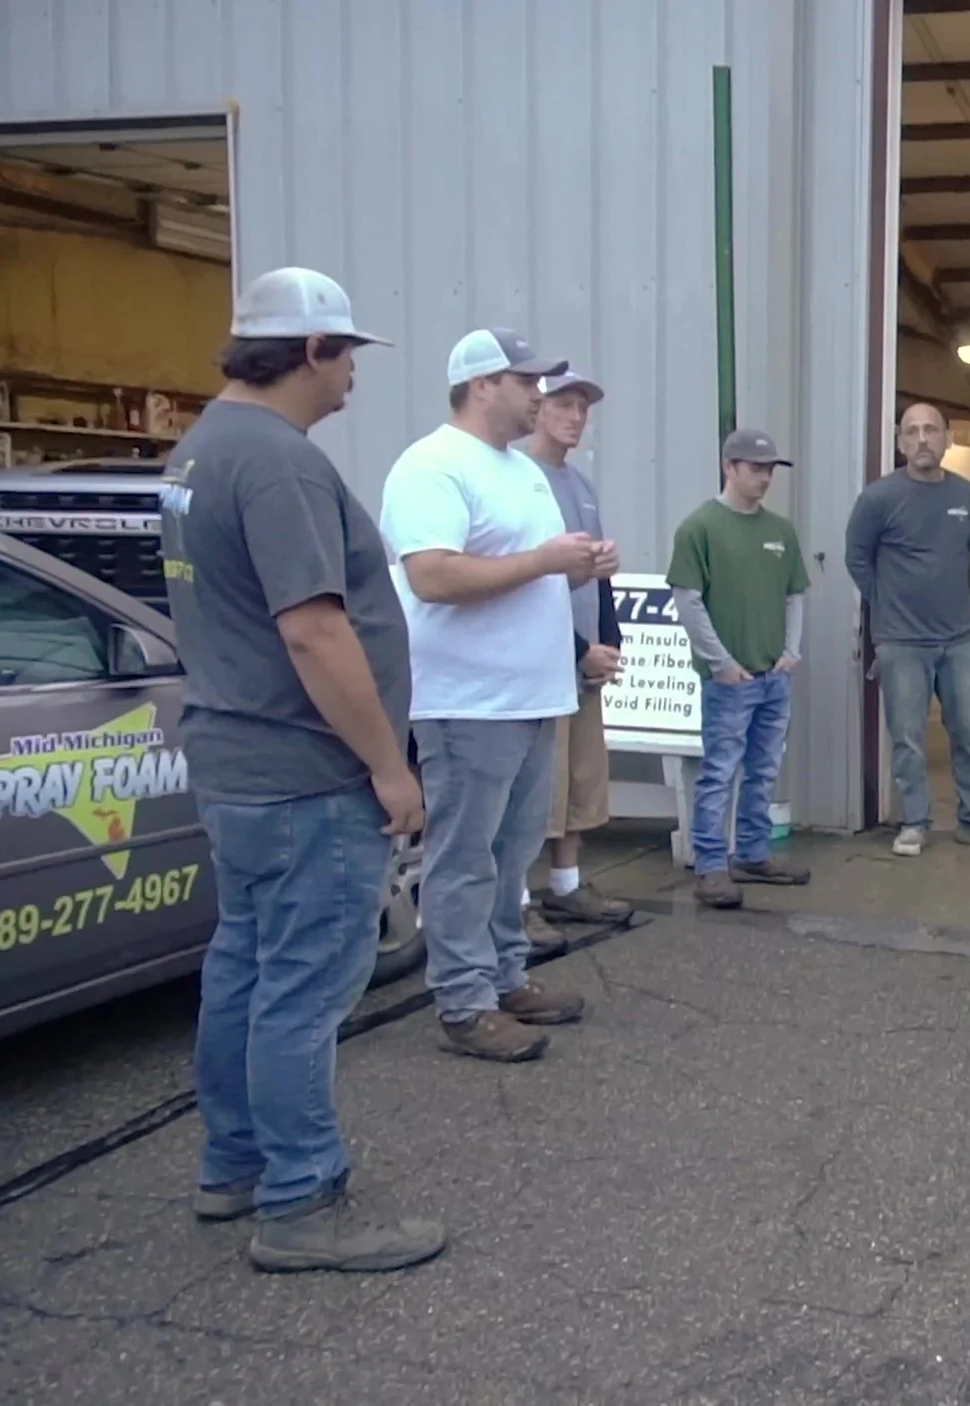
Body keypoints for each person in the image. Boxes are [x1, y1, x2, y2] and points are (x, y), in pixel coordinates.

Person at [156, 267, 444, 1272]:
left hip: (239, 760)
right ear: (311, 350)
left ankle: (234, 1164)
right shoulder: (277, 464)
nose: (353, 375)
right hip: (304, 772)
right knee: (304, 988)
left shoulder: (201, 449)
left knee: (244, 966)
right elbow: (315, 631)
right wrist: (388, 766)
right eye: (347, 355)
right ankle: (302, 1199)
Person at [381, 329, 610, 1063]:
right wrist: (544, 559)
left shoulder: (521, 472)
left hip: (531, 695)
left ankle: (506, 977)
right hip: (469, 701)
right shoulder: (432, 465)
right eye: (526, 381)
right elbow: (432, 577)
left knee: (511, 855)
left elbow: (529, 571)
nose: (540, 395)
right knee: (465, 857)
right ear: (482, 385)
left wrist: (578, 566)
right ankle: (463, 1001)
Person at [849, 403, 970, 856]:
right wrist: (887, 605)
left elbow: (966, 547)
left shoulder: (965, 494)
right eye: (912, 431)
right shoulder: (878, 499)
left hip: (958, 638)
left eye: (930, 430)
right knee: (908, 738)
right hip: (902, 641)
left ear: (947, 438)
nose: (922, 439)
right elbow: (857, 558)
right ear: (900, 442)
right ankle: (914, 824)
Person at [669, 427, 812, 909]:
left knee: (764, 769)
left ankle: (752, 853)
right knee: (720, 771)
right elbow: (688, 601)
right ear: (729, 467)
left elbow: (794, 594)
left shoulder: (780, 531)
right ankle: (711, 866)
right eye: (755, 468)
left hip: (773, 675)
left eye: (770, 469)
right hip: (730, 680)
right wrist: (721, 663)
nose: (765, 478)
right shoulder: (699, 528)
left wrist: (791, 651)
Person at [513, 371, 631, 942]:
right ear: (536, 407)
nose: (576, 417)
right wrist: (579, 651)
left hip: (581, 661)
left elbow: (598, 575)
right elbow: (525, 582)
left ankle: (566, 884)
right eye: (563, 404)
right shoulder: (517, 478)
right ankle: (514, 900)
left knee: (581, 777)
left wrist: (608, 639)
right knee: (535, 785)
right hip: (539, 659)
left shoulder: (581, 485)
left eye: (583, 407)